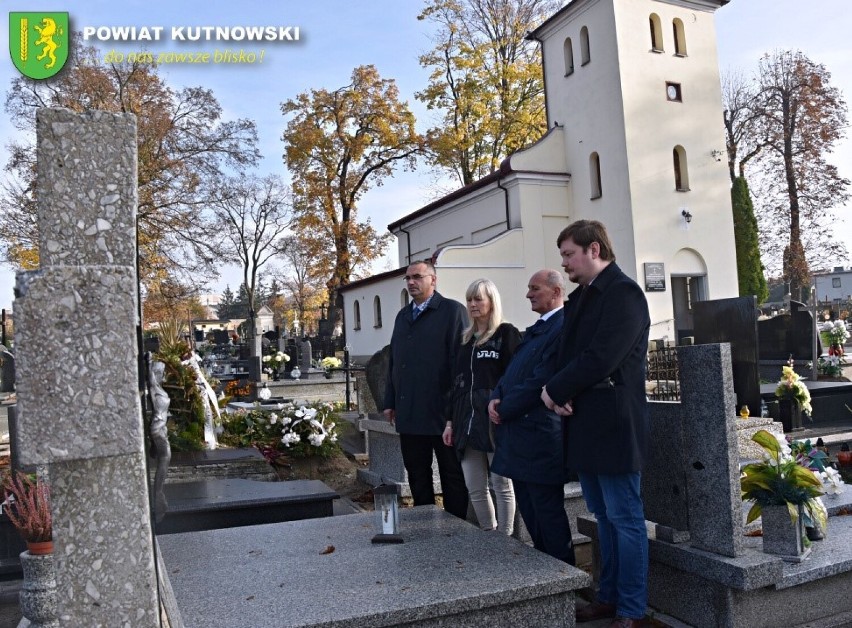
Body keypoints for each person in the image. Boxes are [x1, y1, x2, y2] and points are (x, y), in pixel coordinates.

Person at [541, 220, 651, 628]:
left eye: (569, 254)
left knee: (625, 518)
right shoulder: (583, 297)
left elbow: (604, 356)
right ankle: (608, 596)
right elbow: (570, 354)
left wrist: (555, 390)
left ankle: (632, 609)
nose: (565, 263)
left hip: (615, 423)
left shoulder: (623, 294)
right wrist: (563, 390)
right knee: (604, 517)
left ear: (593, 249)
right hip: (585, 420)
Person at [487, 269, 574, 564]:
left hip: (540, 437)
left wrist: (504, 407)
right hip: (521, 437)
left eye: (535, 288)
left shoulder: (562, 328)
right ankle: (545, 575)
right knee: (531, 513)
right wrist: (495, 395)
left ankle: (563, 578)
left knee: (547, 514)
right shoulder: (538, 328)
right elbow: (513, 371)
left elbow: (541, 380)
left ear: (556, 292)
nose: (528, 294)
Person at [383, 260, 470, 519]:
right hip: (409, 411)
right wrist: (390, 400)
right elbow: (395, 361)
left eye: (417, 277)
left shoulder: (452, 311)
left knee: (451, 475)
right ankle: (423, 524)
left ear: (433, 280)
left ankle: (456, 528)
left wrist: (454, 413)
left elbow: (459, 363)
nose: (411, 282)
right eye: (408, 278)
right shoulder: (403, 316)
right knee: (417, 475)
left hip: (441, 412)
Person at [443, 279, 521, 534]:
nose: (473, 304)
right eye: (469, 299)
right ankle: (489, 531)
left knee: (501, 482)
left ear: (491, 302)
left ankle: (505, 536)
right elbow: (455, 385)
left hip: (494, 419)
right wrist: (449, 422)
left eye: (478, 299)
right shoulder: (464, 341)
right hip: (466, 419)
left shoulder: (506, 334)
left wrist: (506, 409)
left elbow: (515, 376)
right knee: (474, 485)